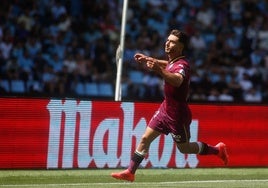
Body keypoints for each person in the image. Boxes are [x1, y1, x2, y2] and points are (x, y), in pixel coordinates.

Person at [111, 29, 229, 182]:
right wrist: (150, 59)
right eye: (168, 40)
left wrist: (158, 69)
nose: (168, 43)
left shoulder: (184, 65)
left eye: (172, 41)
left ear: (181, 47)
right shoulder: (173, 62)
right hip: (164, 109)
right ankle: (130, 172)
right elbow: (168, 64)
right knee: (145, 138)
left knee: (184, 148)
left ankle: (217, 150)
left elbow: (177, 80)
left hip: (177, 115)